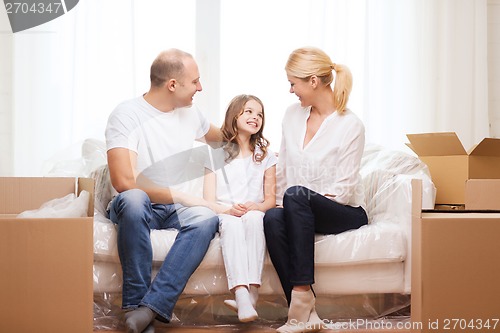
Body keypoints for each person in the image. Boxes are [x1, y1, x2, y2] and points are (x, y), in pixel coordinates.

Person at [105, 48, 223, 333]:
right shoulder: (127, 115)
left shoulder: (190, 112)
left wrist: (258, 141)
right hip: (139, 206)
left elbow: (223, 139)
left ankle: (149, 309)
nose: (200, 87)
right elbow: (124, 181)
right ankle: (135, 305)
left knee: (206, 218)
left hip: (172, 210)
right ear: (173, 85)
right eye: (195, 81)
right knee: (134, 199)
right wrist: (182, 195)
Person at [263, 47, 368, 333]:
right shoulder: (291, 115)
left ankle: (299, 302)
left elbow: (343, 191)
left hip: (343, 211)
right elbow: (283, 166)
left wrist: (298, 203)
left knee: (297, 195)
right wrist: (283, 205)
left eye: (293, 83)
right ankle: (306, 316)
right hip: (300, 205)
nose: (290, 90)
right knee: (272, 218)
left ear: (313, 81)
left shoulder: (350, 125)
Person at [203, 94, 277, 322]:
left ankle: (252, 294)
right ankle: (241, 293)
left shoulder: (266, 156)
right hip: (226, 213)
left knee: (255, 219)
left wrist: (258, 206)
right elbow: (207, 200)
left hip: (253, 212)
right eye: (248, 111)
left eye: (260, 114)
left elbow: (271, 200)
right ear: (234, 115)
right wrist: (227, 210)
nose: (255, 117)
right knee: (233, 225)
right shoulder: (215, 154)